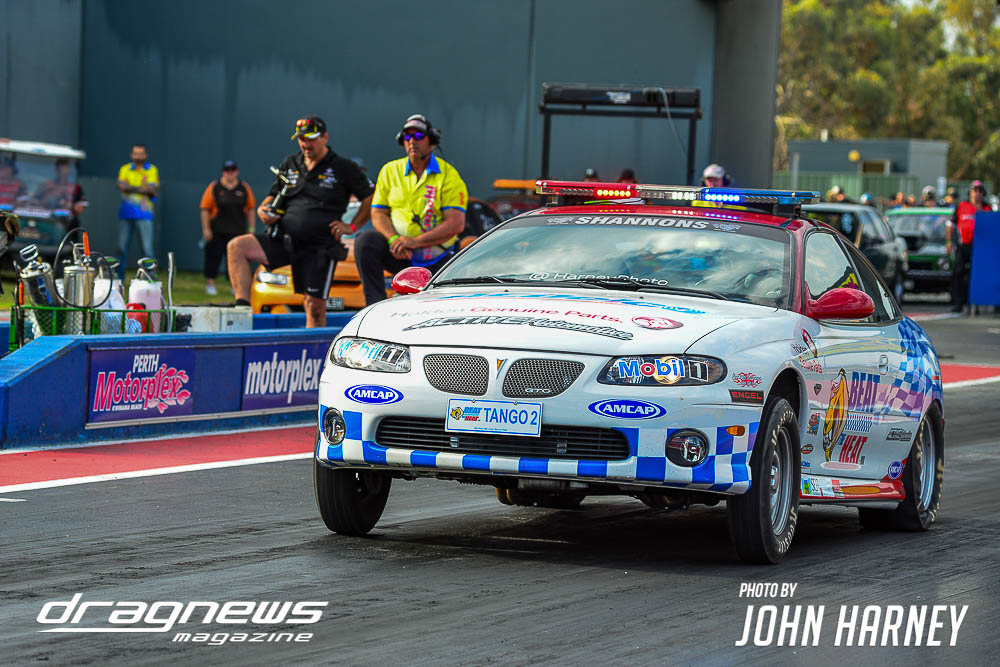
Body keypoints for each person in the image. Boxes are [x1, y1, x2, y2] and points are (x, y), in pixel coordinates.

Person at [227, 116, 373, 328]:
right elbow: (272, 195)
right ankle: (242, 310)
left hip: (319, 246)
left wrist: (352, 226)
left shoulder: (343, 167)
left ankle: (315, 348)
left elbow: (370, 197)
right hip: (284, 239)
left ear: (325, 137)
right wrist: (264, 210)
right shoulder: (290, 163)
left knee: (314, 306)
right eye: (302, 139)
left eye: (311, 138)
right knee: (237, 246)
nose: (306, 144)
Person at [355, 114, 467, 306]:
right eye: (407, 136)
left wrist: (415, 242)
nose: (412, 141)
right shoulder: (390, 170)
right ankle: (373, 306)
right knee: (366, 241)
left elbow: (456, 223)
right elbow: (378, 213)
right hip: (401, 254)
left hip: (437, 259)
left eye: (419, 136)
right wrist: (393, 240)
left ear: (431, 141)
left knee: (431, 305)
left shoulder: (448, 175)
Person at [199, 160, 256, 296]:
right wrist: (206, 229)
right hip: (217, 231)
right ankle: (210, 284)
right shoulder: (215, 187)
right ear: (223, 172)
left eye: (232, 170)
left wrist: (251, 230)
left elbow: (251, 209)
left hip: (237, 231)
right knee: (213, 257)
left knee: (236, 260)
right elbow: (205, 208)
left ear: (237, 172)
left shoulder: (243, 188)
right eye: (227, 170)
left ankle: (235, 286)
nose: (230, 173)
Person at [116, 144, 159, 278]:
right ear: (131, 155)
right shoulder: (125, 169)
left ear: (145, 155)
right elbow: (121, 186)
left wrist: (130, 188)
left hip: (145, 214)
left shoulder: (152, 169)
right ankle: (118, 279)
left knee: (147, 250)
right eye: (136, 153)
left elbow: (151, 189)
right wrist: (141, 188)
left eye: (141, 153)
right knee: (121, 248)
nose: (138, 156)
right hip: (126, 214)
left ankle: (150, 279)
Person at [948, 180, 990, 313]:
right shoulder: (962, 206)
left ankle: (976, 302)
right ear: (970, 192)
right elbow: (951, 225)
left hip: (981, 248)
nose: (977, 194)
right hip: (963, 245)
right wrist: (948, 242)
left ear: (983, 194)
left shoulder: (987, 208)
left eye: (980, 191)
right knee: (958, 272)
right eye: (975, 191)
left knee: (977, 274)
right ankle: (958, 303)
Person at [33, 158, 87, 230]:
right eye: (60, 168)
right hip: (47, 222)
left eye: (65, 168)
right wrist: (48, 201)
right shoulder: (46, 185)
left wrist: (67, 208)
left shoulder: (75, 188)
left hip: (67, 224)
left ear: (69, 169)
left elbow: (80, 208)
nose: (62, 171)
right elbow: (34, 203)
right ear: (56, 169)